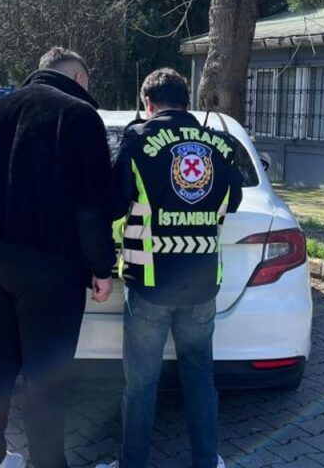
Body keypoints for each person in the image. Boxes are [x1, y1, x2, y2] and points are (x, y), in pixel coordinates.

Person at [0, 47, 115, 468]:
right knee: (45, 373)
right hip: (50, 264)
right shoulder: (79, 116)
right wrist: (101, 268)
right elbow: (92, 206)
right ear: (79, 79)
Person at [99, 68, 243, 468]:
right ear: (185, 102)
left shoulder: (138, 139)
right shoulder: (221, 143)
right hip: (202, 283)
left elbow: (114, 203)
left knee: (141, 385)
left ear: (148, 104)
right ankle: (206, 461)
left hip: (151, 282)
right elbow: (232, 202)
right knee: (200, 380)